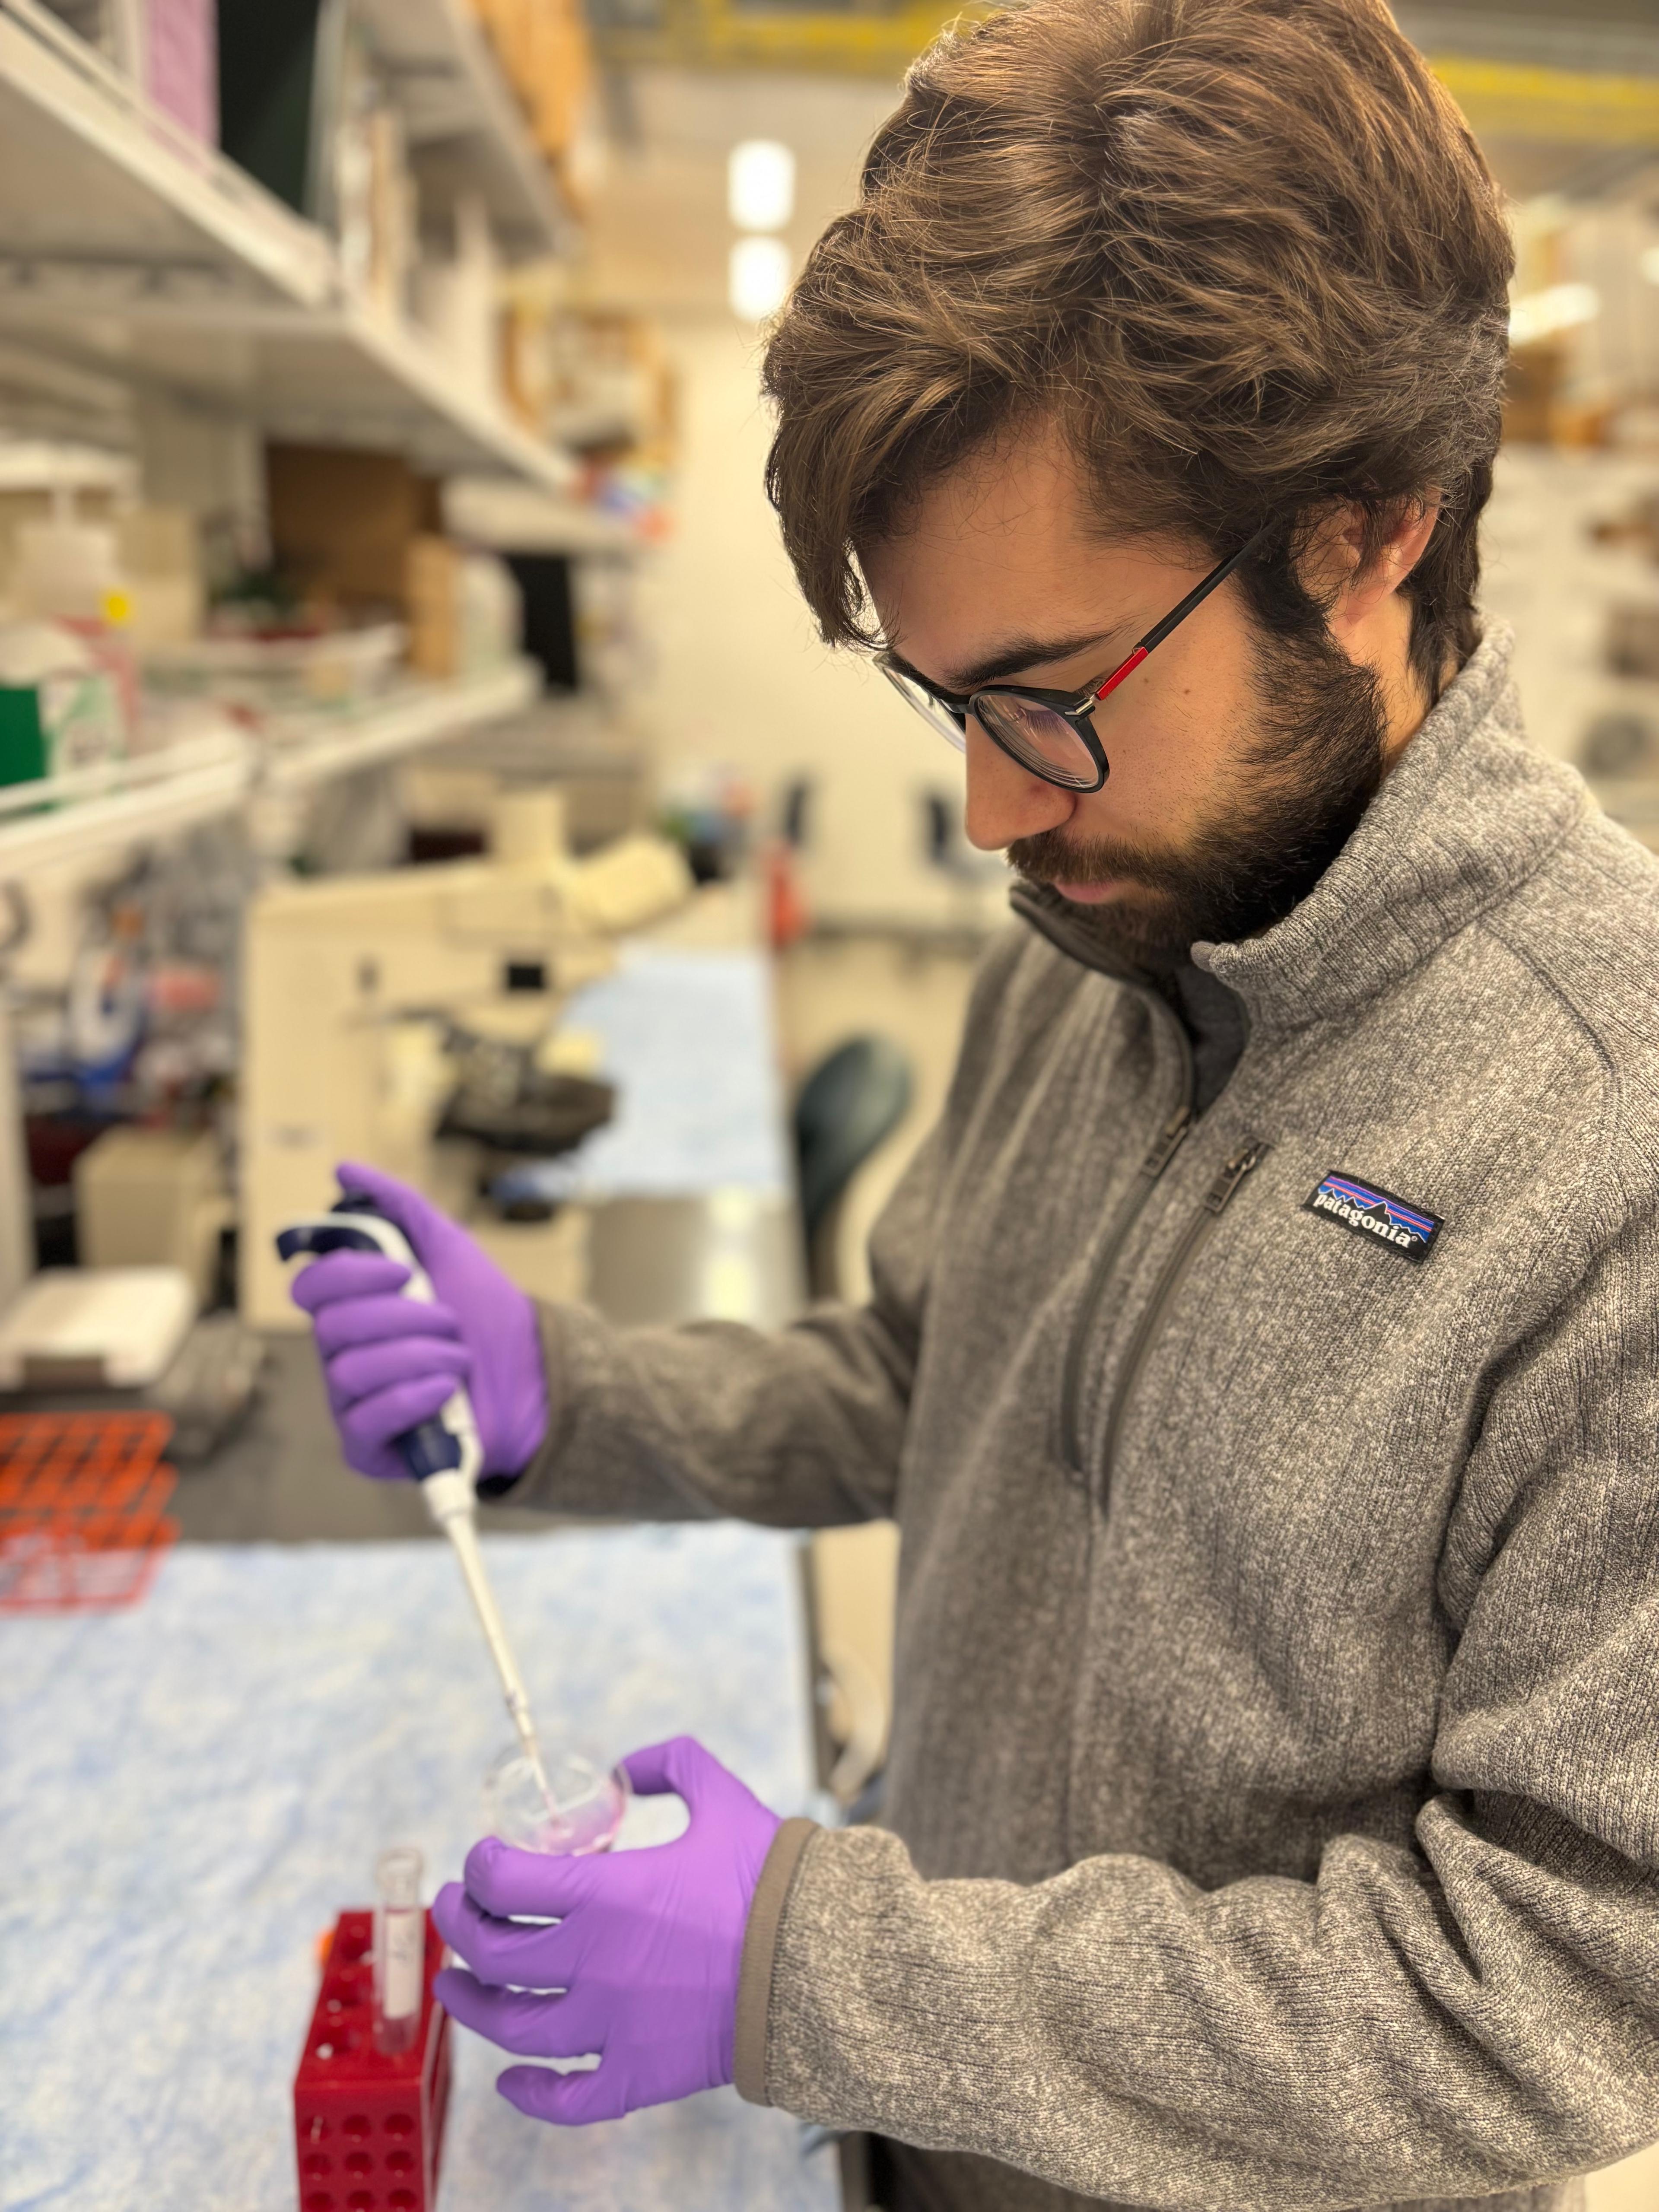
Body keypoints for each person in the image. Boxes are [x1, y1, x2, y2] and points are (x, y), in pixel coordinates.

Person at [288, 2, 1659, 2206]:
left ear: (1369, 531)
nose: (990, 803)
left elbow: (1543, 1992)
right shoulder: (1113, 926)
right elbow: (942, 1378)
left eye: (1053, 699)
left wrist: (813, 1966)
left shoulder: (1609, 1141)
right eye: (945, 696)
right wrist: (571, 1393)